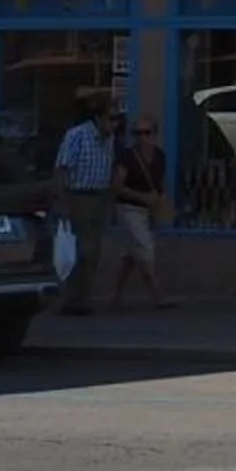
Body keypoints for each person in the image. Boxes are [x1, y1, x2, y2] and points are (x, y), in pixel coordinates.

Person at [52, 93, 117, 315]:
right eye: (111, 118)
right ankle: (72, 299)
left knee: (93, 251)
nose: (114, 124)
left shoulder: (109, 139)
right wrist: (64, 202)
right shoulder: (77, 135)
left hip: (99, 197)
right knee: (79, 250)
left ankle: (83, 297)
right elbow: (61, 169)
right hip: (78, 196)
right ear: (98, 118)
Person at [109, 117, 178, 310]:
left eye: (146, 133)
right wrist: (142, 197)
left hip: (147, 209)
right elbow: (117, 186)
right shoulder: (127, 157)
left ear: (154, 135)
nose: (142, 137)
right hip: (128, 208)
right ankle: (158, 295)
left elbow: (160, 182)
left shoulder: (159, 156)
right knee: (145, 247)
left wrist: (161, 201)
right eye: (137, 133)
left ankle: (116, 294)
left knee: (132, 253)